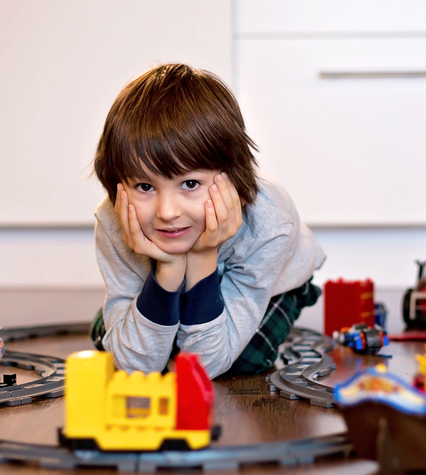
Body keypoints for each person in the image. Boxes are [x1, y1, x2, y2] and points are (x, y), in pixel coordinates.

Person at [90, 63, 325, 378]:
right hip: (166, 280)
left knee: (243, 362)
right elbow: (137, 366)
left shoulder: (269, 226)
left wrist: (201, 256)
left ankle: (177, 311)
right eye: (145, 186)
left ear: (233, 176)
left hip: (275, 284)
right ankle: (170, 304)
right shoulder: (116, 217)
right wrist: (170, 268)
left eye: (189, 184)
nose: (168, 212)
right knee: (110, 339)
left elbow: (205, 366)